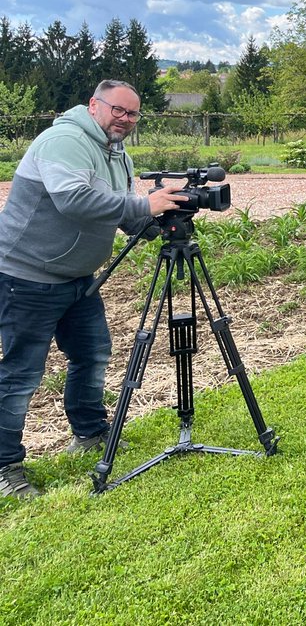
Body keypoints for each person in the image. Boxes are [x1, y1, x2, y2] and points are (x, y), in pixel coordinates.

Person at [0, 80, 187, 499]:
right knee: (22, 373)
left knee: (92, 354)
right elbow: (74, 200)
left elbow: (117, 209)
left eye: (133, 113)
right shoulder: (64, 140)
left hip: (77, 277)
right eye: (117, 109)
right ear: (94, 105)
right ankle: (4, 467)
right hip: (26, 275)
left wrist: (162, 219)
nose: (125, 119)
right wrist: (144, 205)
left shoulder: (118, 154)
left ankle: (90, 434)